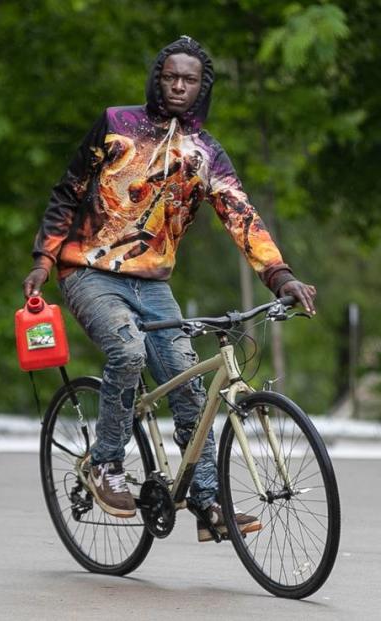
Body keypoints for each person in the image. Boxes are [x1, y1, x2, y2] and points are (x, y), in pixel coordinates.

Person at [22, 36, 317, 542]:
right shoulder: (115, 124)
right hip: (89, 273)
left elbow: (240, 216)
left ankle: (208, 505)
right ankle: (106, 464)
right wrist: (45, 259)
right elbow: (67, 191)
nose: (179, 86)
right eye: (170, 77)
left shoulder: (205, 153)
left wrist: (280, 275)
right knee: (128, 349)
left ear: (203, 88)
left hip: (152, 284)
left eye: (190, 80)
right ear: (157, 79)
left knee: (188, 386)